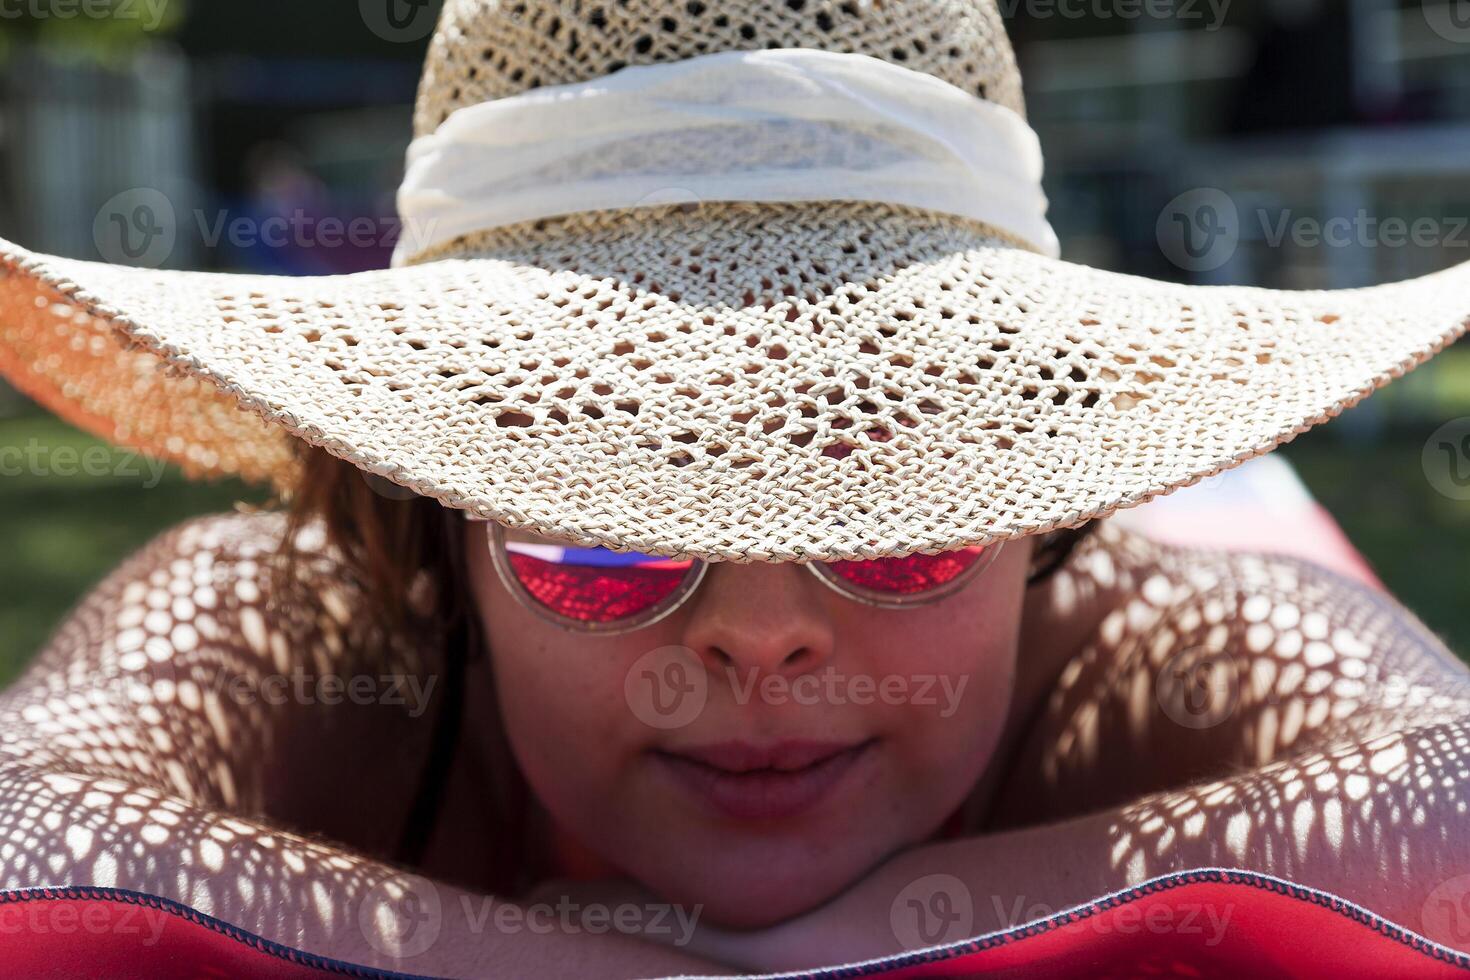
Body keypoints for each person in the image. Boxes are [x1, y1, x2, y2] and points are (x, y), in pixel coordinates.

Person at [0, 0, 1467, 976]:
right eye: (601, 530)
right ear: (431, 519)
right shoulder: (302, 638)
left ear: (1046, 508)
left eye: (898, 509)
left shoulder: (1146, 655)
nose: (762, 636)